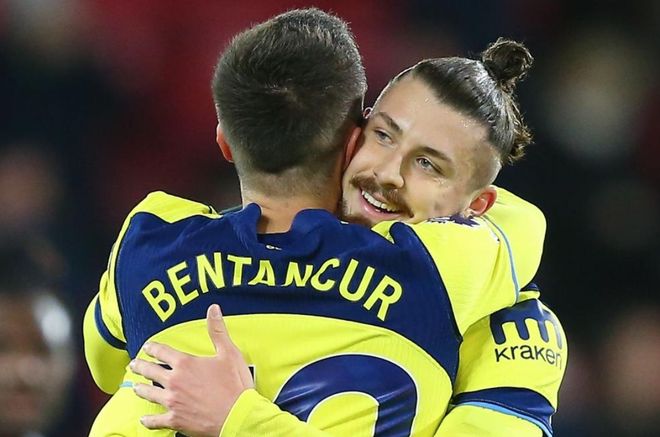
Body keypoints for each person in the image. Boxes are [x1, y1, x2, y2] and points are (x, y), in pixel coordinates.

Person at [83, 8, 559, 437]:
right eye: (383, 135)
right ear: (352, 136)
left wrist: (241, 420)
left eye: (428, 165)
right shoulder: (456, 271)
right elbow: (518, 225)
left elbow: (103, 360)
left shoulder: (152, 240)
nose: (388, 174)